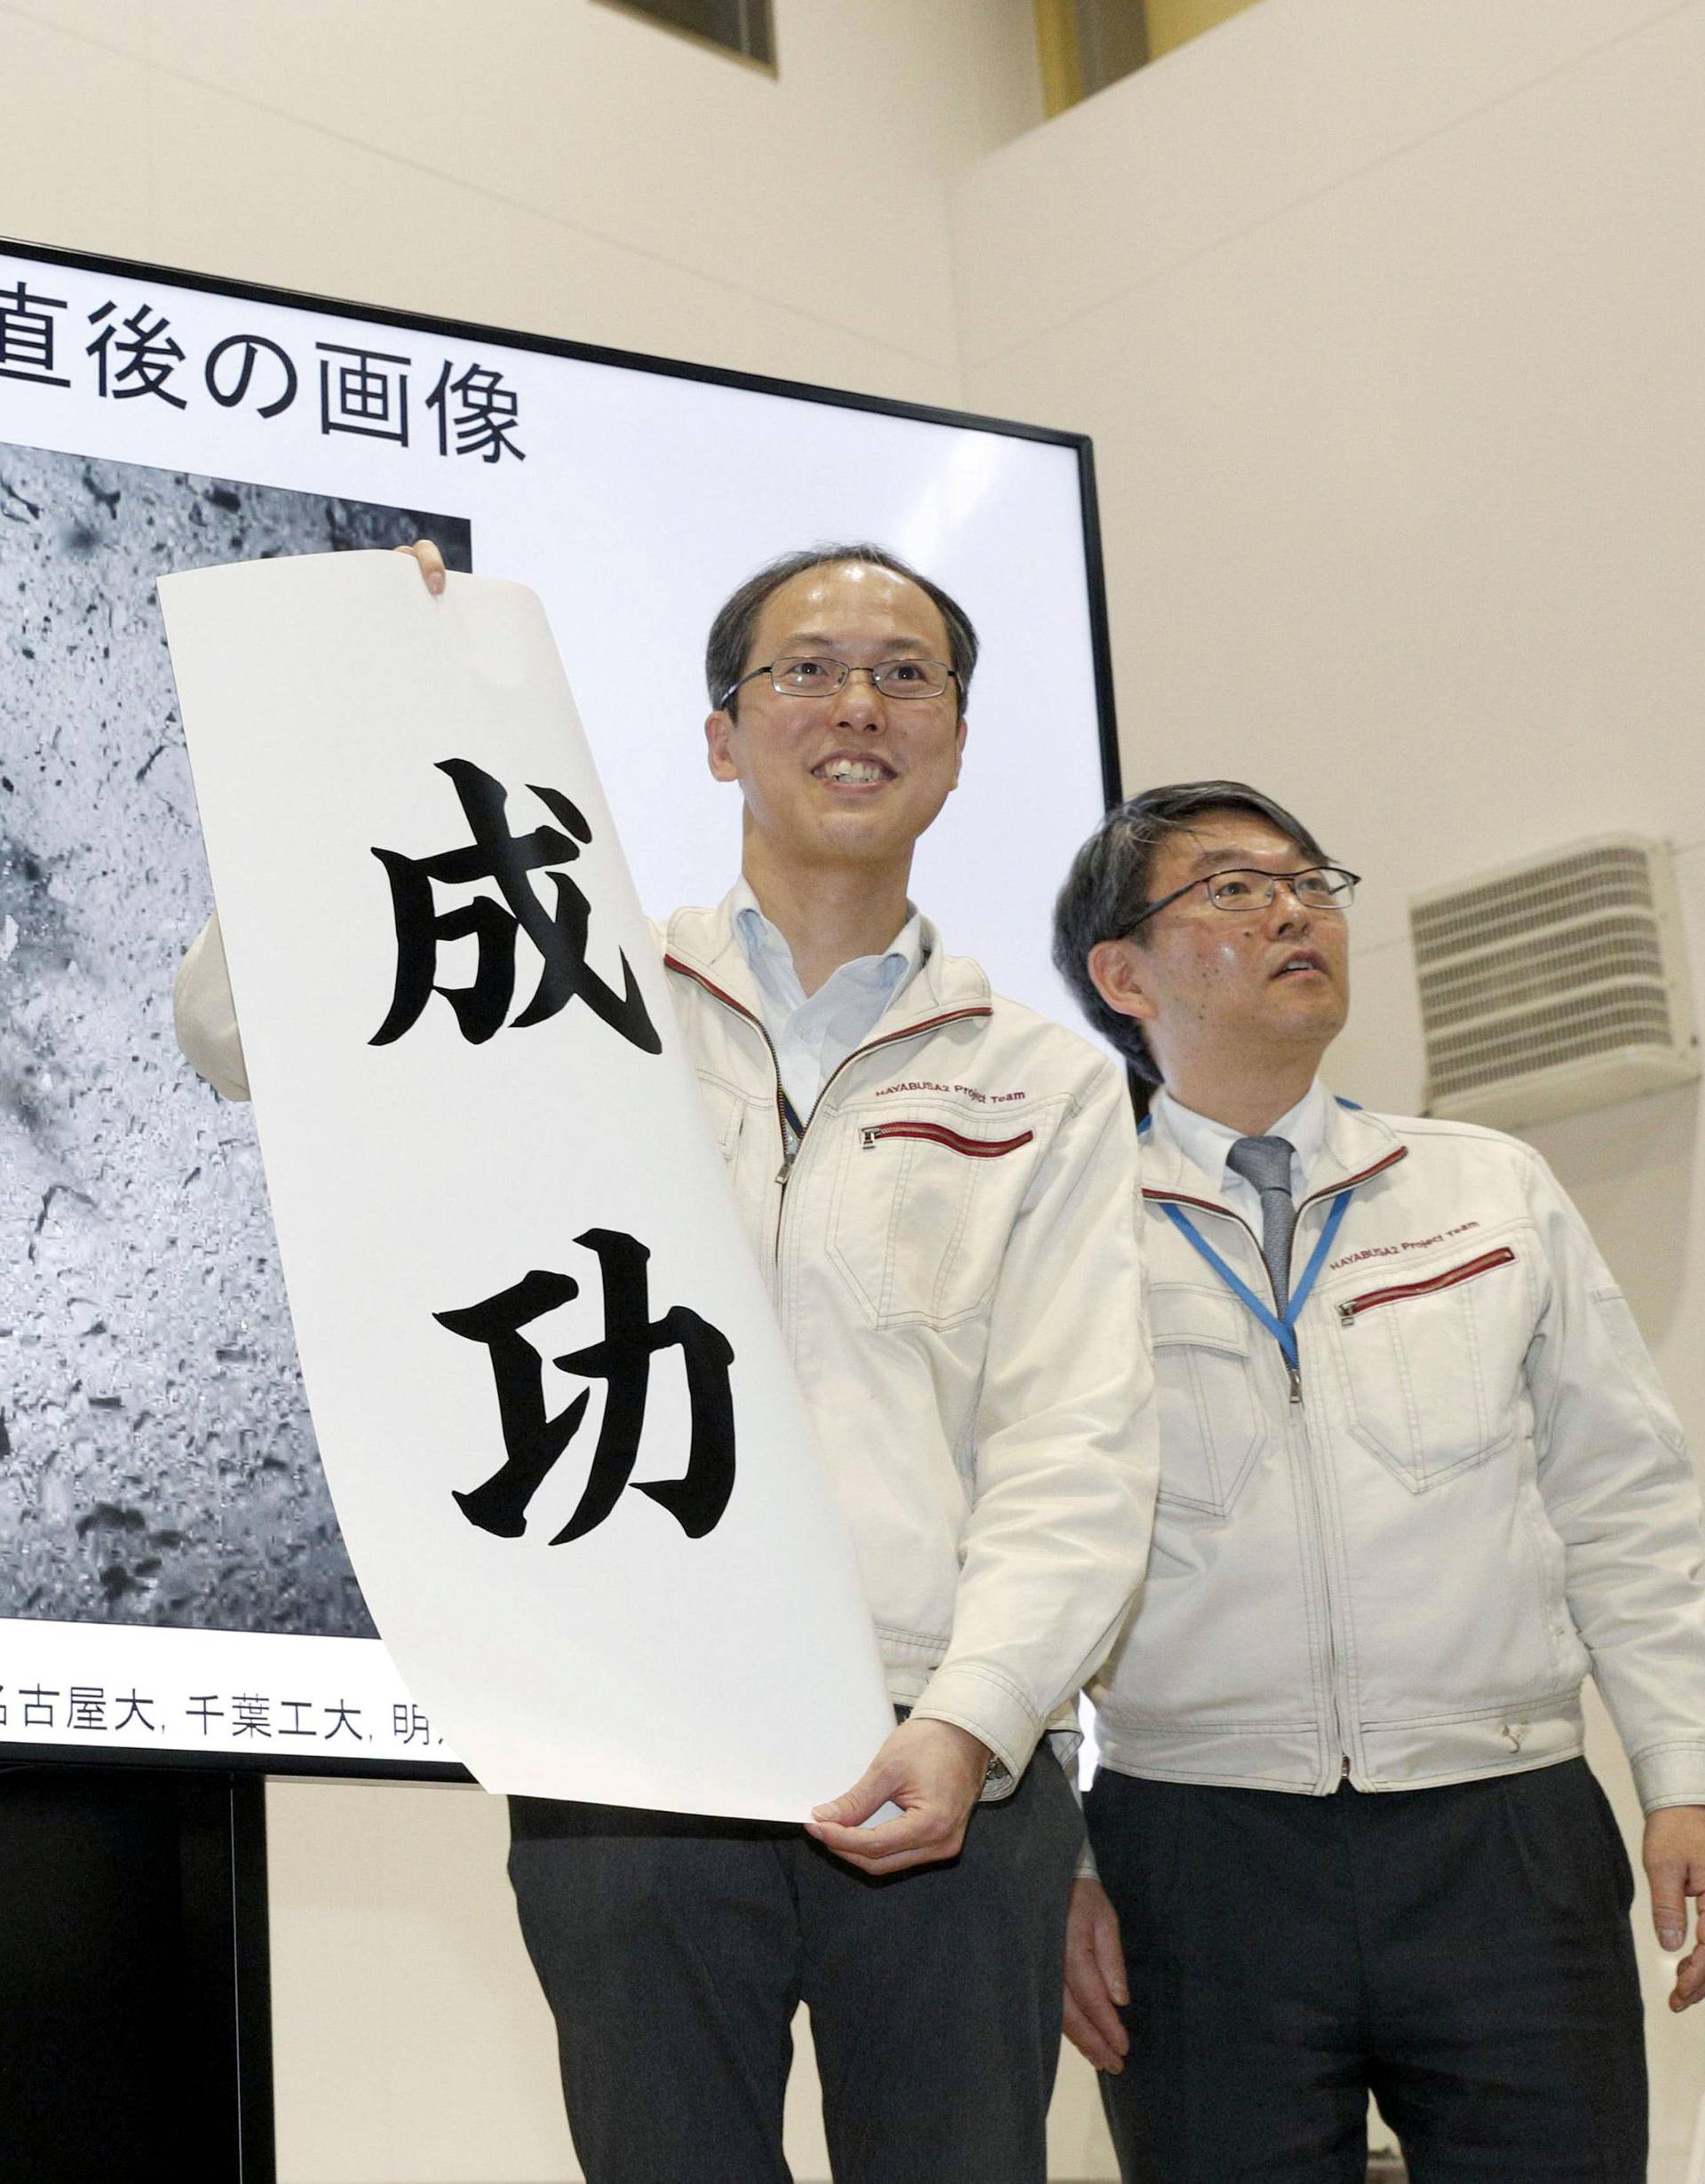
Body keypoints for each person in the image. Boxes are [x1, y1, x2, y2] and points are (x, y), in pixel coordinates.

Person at [173, 539, 1158, 2184]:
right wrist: (367, 704)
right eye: (807, 668)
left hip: (938, 1757)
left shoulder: (1041, 1083)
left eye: (906, 674)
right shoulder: (557, 969)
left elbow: (1079, 1443)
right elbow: (234, 1032)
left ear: (962, 736)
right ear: (721, 734)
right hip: (632, 1740)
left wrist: (979, 1720)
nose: (858, 704)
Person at [1050, 779, 1705, 2184]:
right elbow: (1019, 1556)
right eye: (1230, 889)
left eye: (1310, 883)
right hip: (1194, 1850)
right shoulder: (1067, 1228)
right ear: (1123, 973)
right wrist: (1062, 1862)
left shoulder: (1488, 1188)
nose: (1293, 910)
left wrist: (1683, 1768)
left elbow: (1627, 1506)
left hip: (1506, 1834)